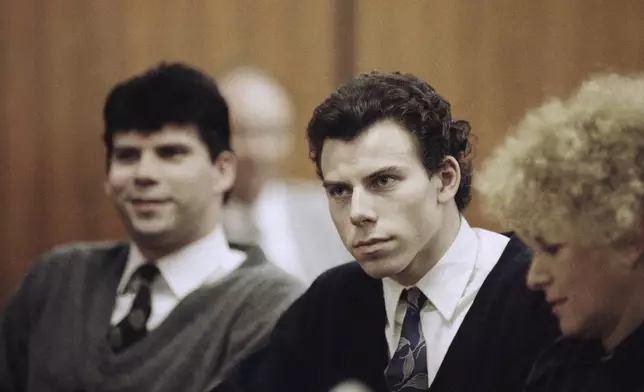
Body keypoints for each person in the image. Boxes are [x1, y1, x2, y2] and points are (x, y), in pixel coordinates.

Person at [214, 71, 559, 392]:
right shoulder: (332, 302)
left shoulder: (542, 289)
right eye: (339, 191)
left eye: (383, 181)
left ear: (445, 179)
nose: (358, 212)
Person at [0, 63, 304, 392]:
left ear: (223, 171)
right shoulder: (56, 281)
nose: (144, 174)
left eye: (170, 153)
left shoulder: (271, 308)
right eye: (127, 155)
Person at [476, 73, 644, 392]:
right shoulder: (561, 366)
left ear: (630, 239)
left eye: (552, 249)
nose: (534, 278)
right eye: (533, 251)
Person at [218, 66, 351, 283]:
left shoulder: (330, 211)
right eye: (241, 132)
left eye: (268, 132)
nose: (255, 151)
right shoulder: (193, 223)